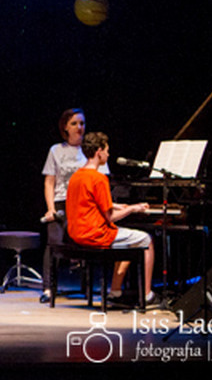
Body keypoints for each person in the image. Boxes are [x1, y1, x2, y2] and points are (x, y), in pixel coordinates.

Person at [65, 131, 155, 304]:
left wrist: (118, 205)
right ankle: (147, 294)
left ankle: (115, 292)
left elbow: (88, 201)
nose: (108, 154)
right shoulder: (99, 178)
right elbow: (111, 217)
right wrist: (134, 209)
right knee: (146, 240)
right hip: (95, 235)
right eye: (106, 150)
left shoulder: (77, 175)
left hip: (77, 233)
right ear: (99, 152)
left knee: (128, 239)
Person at [39, 108, 109, 302]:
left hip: (85, 204)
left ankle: (88, 287)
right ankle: (48, 288)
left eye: (82, 123)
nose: (79, 127)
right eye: (74, 123)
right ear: (65, 127)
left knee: (87, 241)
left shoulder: (90, 150)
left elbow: (102, 178)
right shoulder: (56, 150)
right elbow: (49, 182)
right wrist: (51, 207)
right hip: (62, 201)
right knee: (53, 240)